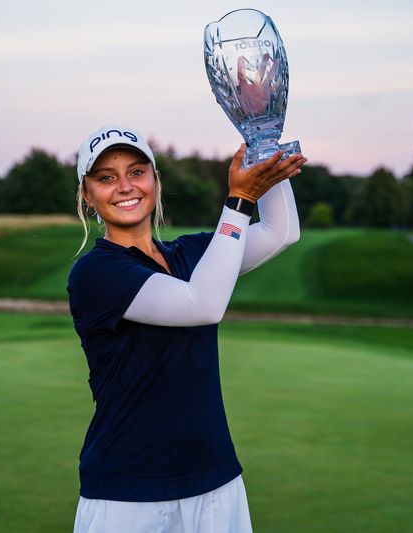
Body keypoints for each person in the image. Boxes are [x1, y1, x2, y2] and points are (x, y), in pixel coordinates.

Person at [67, 125, 306, 532]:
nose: (125, 186)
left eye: (137, 172)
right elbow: (203, 303)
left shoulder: (192, 253)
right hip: (128, 492)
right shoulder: (95, 273)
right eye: (106, 178)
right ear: (88, 196)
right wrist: (240, 199)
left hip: (216, 481)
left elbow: (280, 232)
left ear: (155, 182)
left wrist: (262, 139)